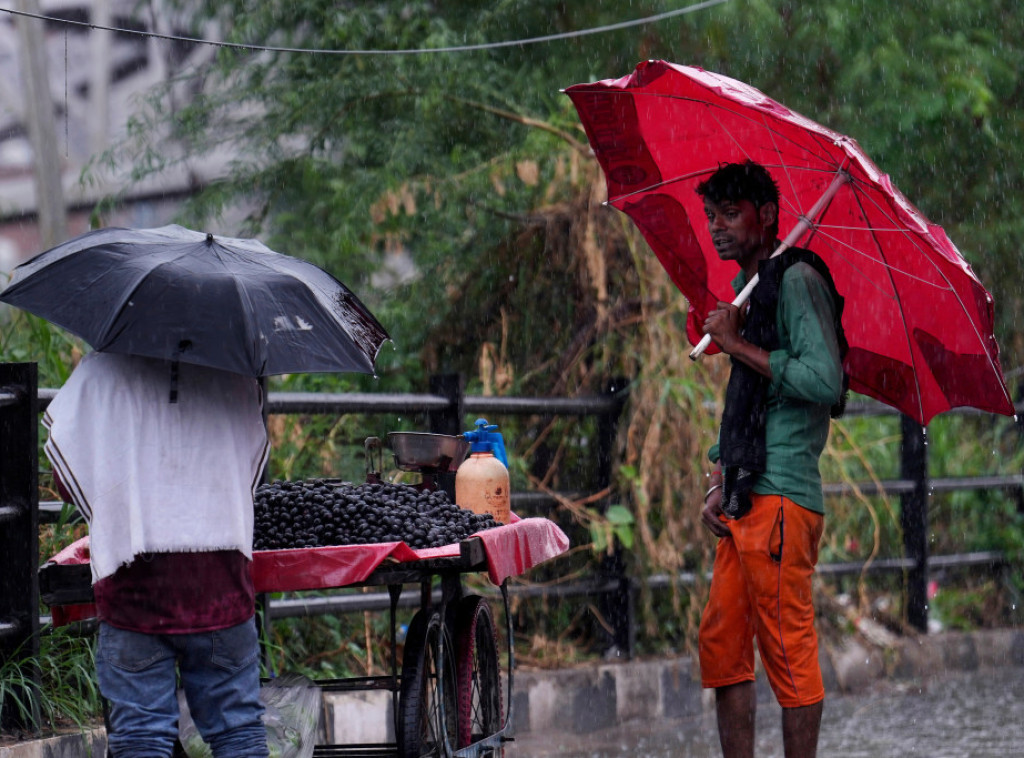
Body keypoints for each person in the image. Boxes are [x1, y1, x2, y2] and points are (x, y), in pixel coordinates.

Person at [44, 351, 270, 758]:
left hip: (133, 588)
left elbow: (66, 479)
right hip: (221, 585)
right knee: (238, 732)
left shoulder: (101, 372)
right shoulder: (236, 373)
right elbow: (247, 472)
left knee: (141, 739)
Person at [695, 161, 847, 758]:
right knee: (723, 644)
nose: (717, 228)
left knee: (786, 648)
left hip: (781, 495)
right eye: (712, 216)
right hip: (744, 492)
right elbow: (748, 403)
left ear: (767, 216)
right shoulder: (749, 292)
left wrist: (736, 343)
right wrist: (719, 472)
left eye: (731, 215)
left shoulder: (798, 280)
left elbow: (825, 381)